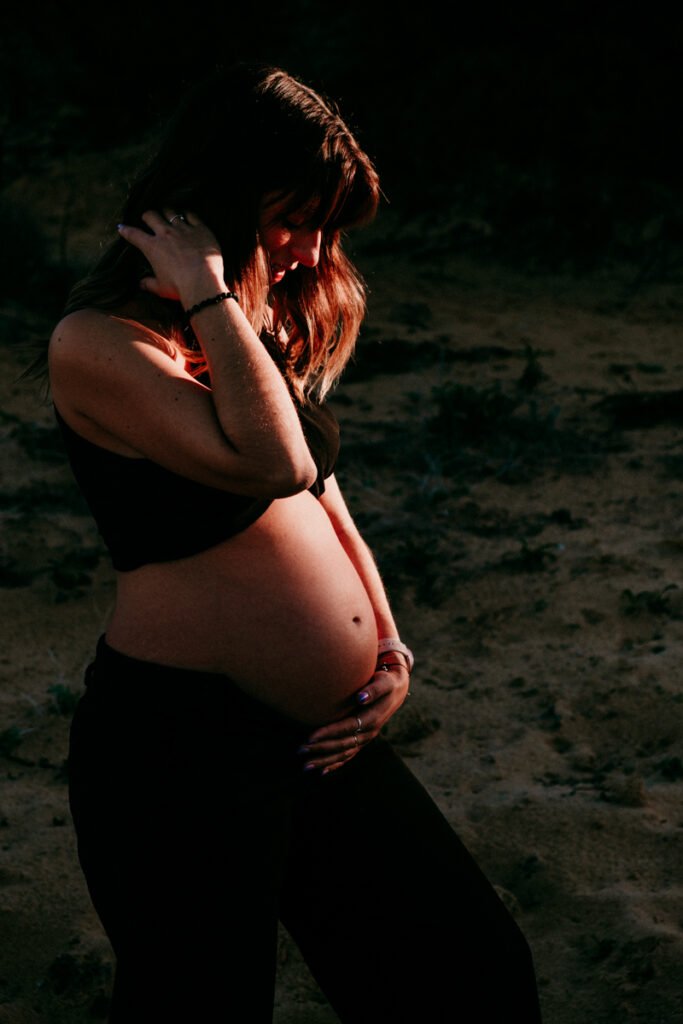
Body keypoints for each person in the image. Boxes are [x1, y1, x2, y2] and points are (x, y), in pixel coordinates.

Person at [47, 63, 543, 1022]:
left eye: (327, 227)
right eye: (295, 219)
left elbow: (322, 492)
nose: (314, 254)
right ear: (219, 198)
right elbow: (272, 463)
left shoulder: (254, 325)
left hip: (320, 739)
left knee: (469, 975)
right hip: (177, 745)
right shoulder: (100, 343)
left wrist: (388, 644)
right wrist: (205, 288)